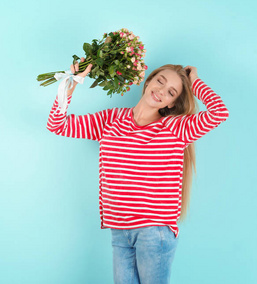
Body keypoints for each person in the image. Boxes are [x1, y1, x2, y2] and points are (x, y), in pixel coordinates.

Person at [46, 57, 230, 284]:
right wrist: (71, 83)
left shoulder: (174, 128)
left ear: (172, 103)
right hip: (120, 229)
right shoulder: (111, 119)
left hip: (154, 231)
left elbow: (219, 113)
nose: (162, 91)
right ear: (149, 81)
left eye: (171, 92)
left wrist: (195, 82)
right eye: (160, 82)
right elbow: (58, 124)